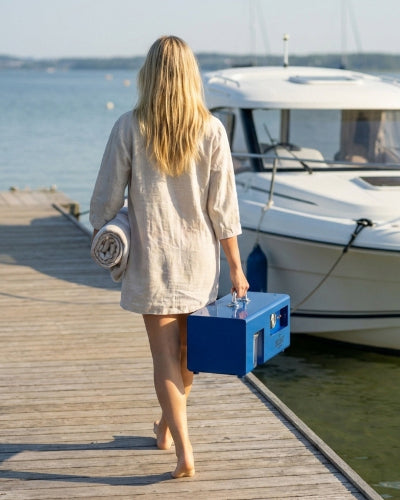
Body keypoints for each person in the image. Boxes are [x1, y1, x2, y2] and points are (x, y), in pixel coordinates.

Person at [89, 35, 249, 479]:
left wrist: (117, 220)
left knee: (164, 360)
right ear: (190, 76)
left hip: (153, 262)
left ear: (150, 74)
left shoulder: (129, 126)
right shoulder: (212, 129)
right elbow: (224, 210)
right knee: (187, 356)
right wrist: (236, 266)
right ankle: (167, 429)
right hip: (198, 264)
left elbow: (103, 203)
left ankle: (182, 447)